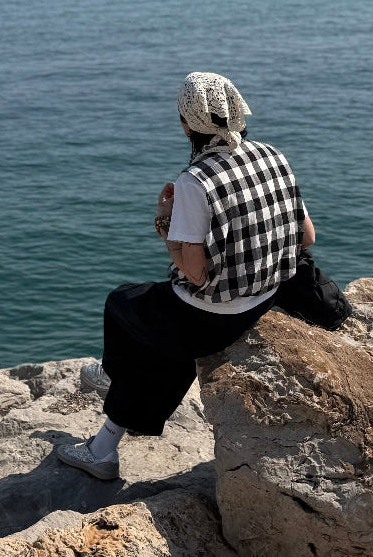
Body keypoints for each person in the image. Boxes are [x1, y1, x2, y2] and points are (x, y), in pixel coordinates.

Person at [56, 71, 314, 479]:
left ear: (186, 125)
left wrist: (166, 223)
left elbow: (194, 273)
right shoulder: (272, 155)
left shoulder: (195, 180)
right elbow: (307, 237)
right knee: (158, 335)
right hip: (269, 296)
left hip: (217, 318)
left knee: (122, 303)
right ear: (238, 110)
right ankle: (104, 438)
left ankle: (108, 401)